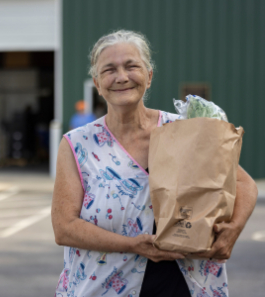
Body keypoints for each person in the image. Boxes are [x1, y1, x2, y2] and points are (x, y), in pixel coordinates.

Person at [51, 30, 258, 297]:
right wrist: (133, 245)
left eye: (131, 66)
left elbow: (244, 183)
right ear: (97, 82)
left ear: (148, 76)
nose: (122, 77)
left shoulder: (184, 130)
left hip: (186, 284)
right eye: (109, 70)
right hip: (103, 287)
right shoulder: (77, 144)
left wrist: (233, 229)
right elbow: (64, 228)